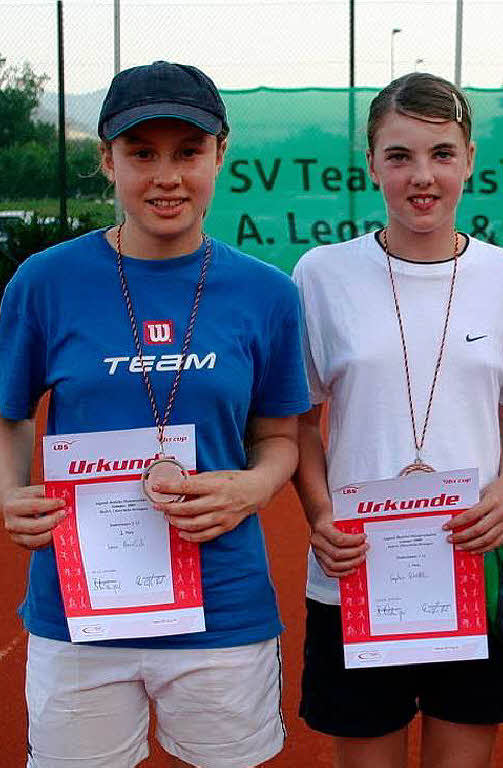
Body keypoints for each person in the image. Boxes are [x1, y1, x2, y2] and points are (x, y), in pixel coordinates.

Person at [0, 61, 310, 768]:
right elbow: (10, 413)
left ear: (219, 156)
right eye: (142, 153)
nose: (166, 176)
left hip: (223, 608)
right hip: (81, 609)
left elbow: (281, 436)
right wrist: (10, 492)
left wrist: (253, 487)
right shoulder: (44, 283)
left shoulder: (267, 293)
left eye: (187, 152)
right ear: (106, 160)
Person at [290, 72, 503, 768]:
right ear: (372, 163)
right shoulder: (321, 274)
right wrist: (321, 514)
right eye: (400, 156)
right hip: (356, 574)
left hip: (474, 568)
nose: (422, 177)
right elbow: (299, 424)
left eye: (441, 154)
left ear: (469, 159)